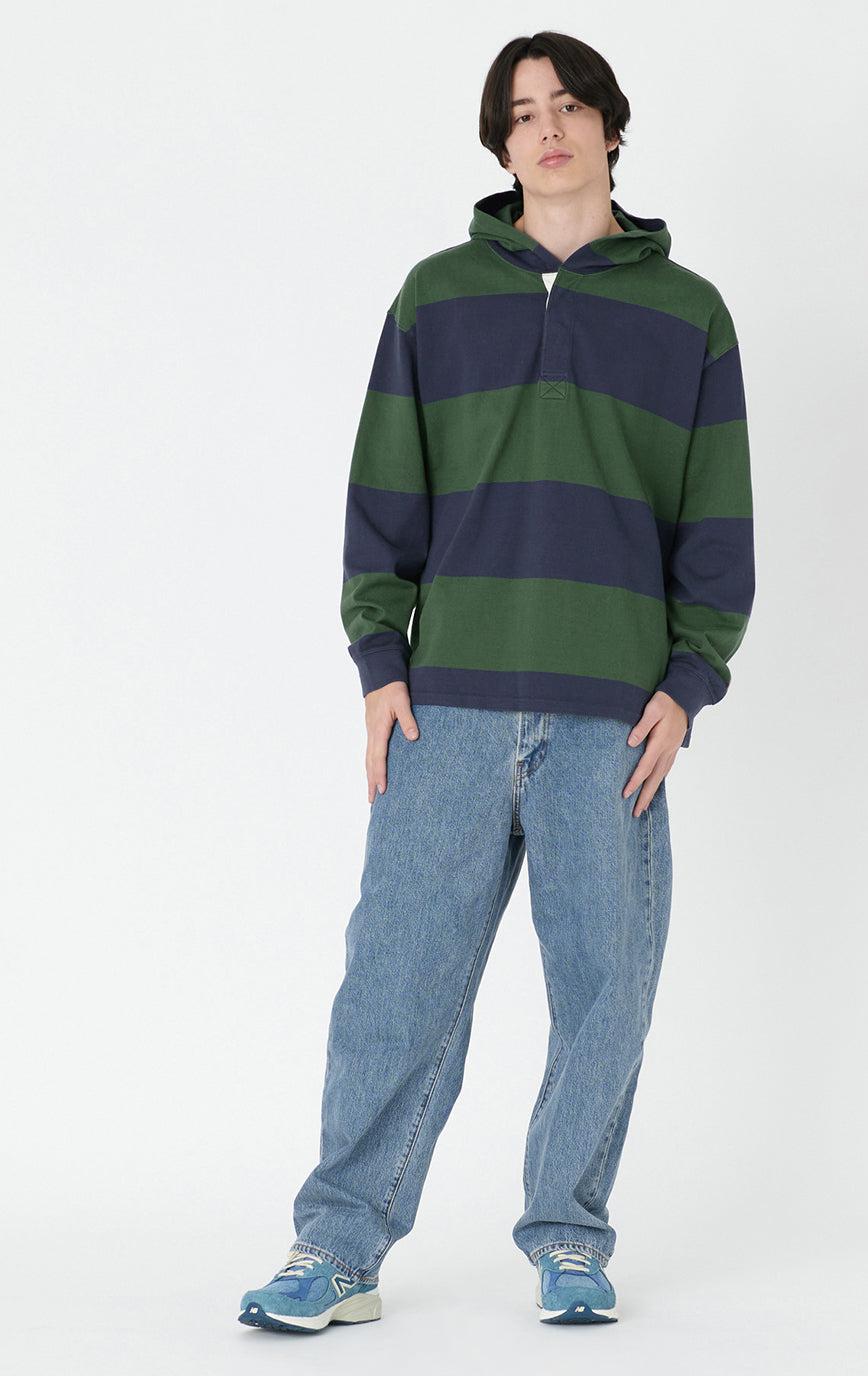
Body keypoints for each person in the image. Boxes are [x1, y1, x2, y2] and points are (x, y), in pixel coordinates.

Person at [239, 30, 753, 1331]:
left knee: (603, 995)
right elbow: (384, 493)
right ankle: (338, 1250)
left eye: (569, 105)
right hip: (448, 706)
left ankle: (570, 1237)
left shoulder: (689, 314)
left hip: (611, 717)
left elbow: (717, 521)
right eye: (523, 114)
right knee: (394, 988)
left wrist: (689, 683)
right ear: (503, 143)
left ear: (611, 128)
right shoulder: (436, 298)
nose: (549, 129)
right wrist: (378, 665)